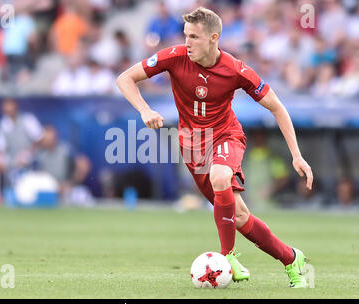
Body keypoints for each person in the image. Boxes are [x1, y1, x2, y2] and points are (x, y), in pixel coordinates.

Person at [116, 7, 313, 288]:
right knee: (241, 217)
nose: (187, 42)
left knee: (220, 176)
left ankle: (227, 255)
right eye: (186, 35)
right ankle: (291, 258)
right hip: (193, 148)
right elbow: (125, 78)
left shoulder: (235, 70)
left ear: (213, 38)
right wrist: (144, 109)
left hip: (225, 136)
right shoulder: (174, 57)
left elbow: (277, 108)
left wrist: (296, 155)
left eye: (194, 37)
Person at [35, 125, 93, 206]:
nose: (48, 140)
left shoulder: (65, 150)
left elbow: (84, 164)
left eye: (51, 138)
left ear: (56, 137)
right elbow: (35, 178)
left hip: (66, 191)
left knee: (82, 195)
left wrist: (71, 184)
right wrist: (54, 187)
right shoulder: (38, 154)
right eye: (46, 138)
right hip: (46, 192)